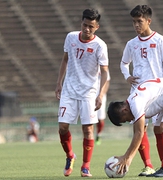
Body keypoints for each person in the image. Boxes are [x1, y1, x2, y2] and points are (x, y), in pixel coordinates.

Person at [120, 4, 163, 176]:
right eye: (134, 22)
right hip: (138, 93)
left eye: (140, 21)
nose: (136, 25)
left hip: (158, 92)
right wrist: (127, 76)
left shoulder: (161, 41)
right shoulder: (131, 44)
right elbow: (123, 63)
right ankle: (148, 165)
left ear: (148, 21)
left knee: (159, 128)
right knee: (140, 129)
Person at [55, 8, 109, 177]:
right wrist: (59, 83)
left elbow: (106, 72)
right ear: (81, 23)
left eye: (91, 27)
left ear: (97, 27)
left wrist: (100, 95)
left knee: (88, 130)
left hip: (88, 93)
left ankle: (86, 165)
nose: (87, 29)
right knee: (63, 127)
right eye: (85, 25)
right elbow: (65, 60)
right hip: (69, 90)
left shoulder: (100, 45)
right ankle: (70, 155)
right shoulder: (71, 37)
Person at [107, 78, 163, 177]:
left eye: (125, 120)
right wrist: (128, 158)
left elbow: (139, 133)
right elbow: (137, 132)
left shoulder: (136, 103)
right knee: (157, 129)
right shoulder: (132, 101)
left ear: (124, 110)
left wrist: (126, 158)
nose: (129, 121)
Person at [95, 70, 110, 145]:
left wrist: (102, 94)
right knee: (88, 118)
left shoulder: (103, 67)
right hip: (89, 95)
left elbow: (107, 82)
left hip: (101, 97)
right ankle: (89, 136)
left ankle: (98, 134)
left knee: (100, 119)